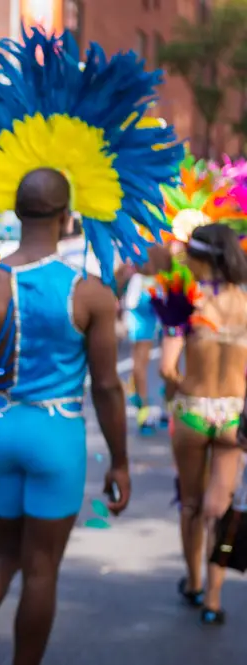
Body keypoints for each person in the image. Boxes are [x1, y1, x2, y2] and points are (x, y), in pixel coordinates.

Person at [0, 28, 182, 665]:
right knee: (40, 569)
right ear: (69, 215)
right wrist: (120, 464)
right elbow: (106, 385)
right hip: (56, 434)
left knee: (4, 552)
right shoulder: (91, 293)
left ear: (15, 209)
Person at [156, 223, 247, 626]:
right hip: (233, 415)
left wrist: (175, 394)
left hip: (192, 411)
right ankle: (213, 598)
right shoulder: (245, 301)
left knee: (191, 505)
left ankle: (192, 582)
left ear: (199, 258)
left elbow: (167, 368)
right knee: (219, 510)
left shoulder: (187, 303)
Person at [116, 245, 172, 434]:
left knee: (144, 359)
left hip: (146, 297)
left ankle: (147, 409)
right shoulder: (167, 242)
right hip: (156, 295)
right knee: (169, 355)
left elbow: (119, 275)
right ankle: (165, 408)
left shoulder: (135, 241)